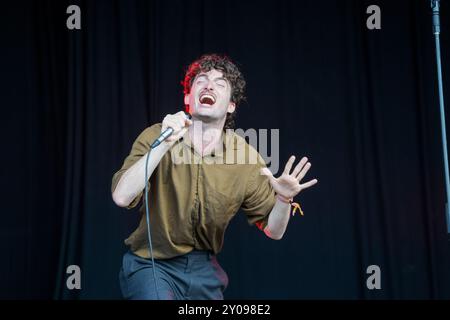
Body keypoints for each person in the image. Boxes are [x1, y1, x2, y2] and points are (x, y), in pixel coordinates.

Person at [111, 54, 318, 300]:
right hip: (152, 264)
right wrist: (164, 142)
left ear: (231, 105)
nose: (209, 85)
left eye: (220, 84)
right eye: (201, 80)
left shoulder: (246, 158)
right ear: (188, 97)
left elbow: (274, 231)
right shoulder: (157, 135)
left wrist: (283, 199)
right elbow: (122, 197)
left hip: (204, 272)